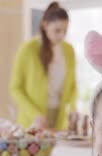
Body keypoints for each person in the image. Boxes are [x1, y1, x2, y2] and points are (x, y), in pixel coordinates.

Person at [10, 1, 77, 130]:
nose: (62, 35)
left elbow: (73, 86)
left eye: (65, 30)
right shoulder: (28, 49)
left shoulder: (69, 50)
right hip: (32, 122)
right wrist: (35, 115)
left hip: (60, 119)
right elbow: (15, 88)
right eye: (57, 30)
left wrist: (72, 108)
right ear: (45, 25)